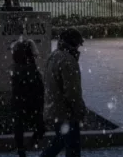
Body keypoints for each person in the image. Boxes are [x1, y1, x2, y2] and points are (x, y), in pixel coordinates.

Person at [42, 28, 87, 157]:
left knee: (59, 142)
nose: (79, 47)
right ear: (74, 43)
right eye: (78, 44)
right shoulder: (68, 61)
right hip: (66, 112)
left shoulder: (54, 56)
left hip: (55, 109)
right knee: (72, 148)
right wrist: (80, 110)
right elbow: (72, 93)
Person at [10, 39, 45, 157]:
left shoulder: (17, 66)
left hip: (20, 100)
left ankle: (22, 149)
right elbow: (38, 85)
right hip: (32, 100)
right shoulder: (29, 67)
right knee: (40, 127)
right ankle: (27, 146)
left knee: (19, 126)